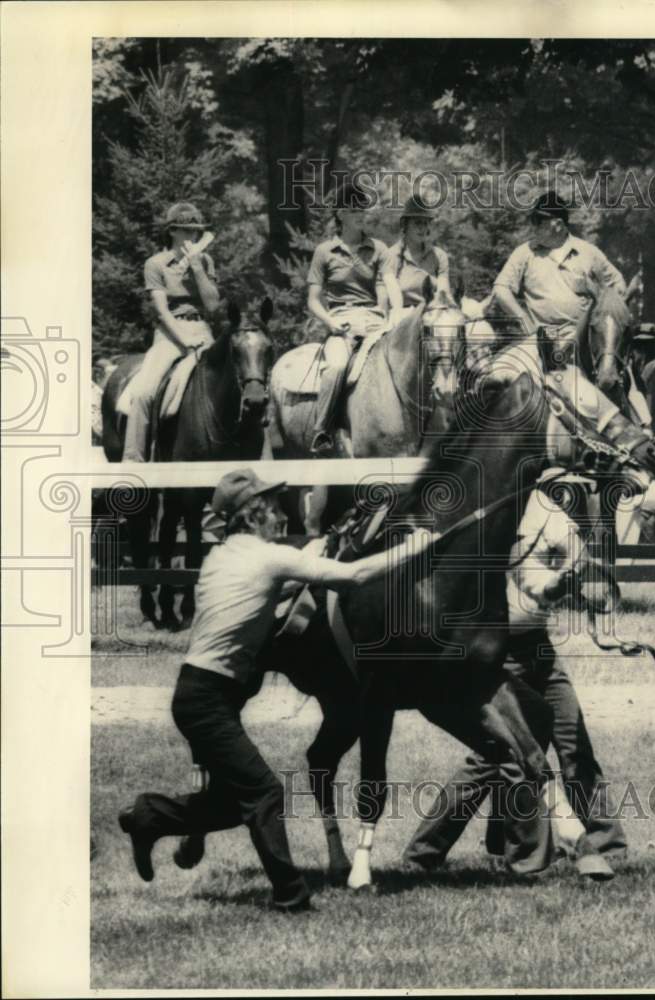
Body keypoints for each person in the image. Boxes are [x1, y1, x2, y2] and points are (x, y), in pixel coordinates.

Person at [119, 468, 436, 913]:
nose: (281, 516)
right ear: (252, 517)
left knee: (234, 802)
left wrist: (308, 558)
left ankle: (149, 817)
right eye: (272, 509)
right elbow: (355, 575)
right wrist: (412, 548)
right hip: (209, 699)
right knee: (266, 793)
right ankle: (290, 893)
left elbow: (271, 587)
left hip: (201, 692)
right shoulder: (268, 558)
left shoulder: (224, 556)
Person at [403, 487, 627, 879]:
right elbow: (528, 581)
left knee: (574, 743)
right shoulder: (480, 512)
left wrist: (585, 586)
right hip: (495, 653)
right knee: (494, 757)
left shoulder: (545, 506)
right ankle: (425, 852)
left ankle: (607, 844)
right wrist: (558, 583)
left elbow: (575, 561)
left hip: (540, 649)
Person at [307, 182, 403, 454]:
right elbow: (313, 300)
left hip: (375, 321)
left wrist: (395, 315)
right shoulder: (324, 252)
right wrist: (329, 323)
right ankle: (322, 431)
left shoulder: (379, 249)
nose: (360, 214)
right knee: (336, 366)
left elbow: (391, 285)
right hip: (341, 322)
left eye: (362, 208)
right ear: (340, 215)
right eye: (353, 209)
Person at [122, 202, 219, 462]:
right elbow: (162, 311)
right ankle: (133, 463)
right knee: (144, 392)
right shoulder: (156, 264)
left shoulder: (205, 261)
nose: (193, 236)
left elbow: (212, 304)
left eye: (196, 231)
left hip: (203, 328)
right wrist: (184, 339)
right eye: (187, 231)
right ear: (173, 232)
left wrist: (198, 268)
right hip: (170, 333)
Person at [488, 190, 626, 342]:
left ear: (558, 225)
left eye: (539, 222)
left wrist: (605, 317)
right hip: (542, 340)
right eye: (533, 221)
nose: (533, 227)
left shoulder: (589, 253)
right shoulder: (524, 253)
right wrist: (523, 319)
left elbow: (617, 285)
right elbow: (501, 288)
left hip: (585, 341)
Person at [387, 194, 453, 314]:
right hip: (402, 316)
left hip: (432, 314)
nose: (423, 228)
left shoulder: (439, 256)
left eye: (426, 223)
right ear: (404, 224)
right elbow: (390, 296)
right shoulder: (391, 256)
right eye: (418, 223)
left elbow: (444, 293)